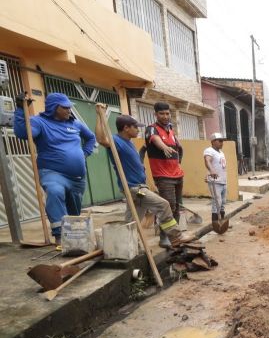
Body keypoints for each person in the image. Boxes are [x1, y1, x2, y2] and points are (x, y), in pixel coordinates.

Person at [94, 107, 194, 247]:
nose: (138, 130)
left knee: (132, 221)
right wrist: (100, 115)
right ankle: (176, 236)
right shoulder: (116, 141)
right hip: (135, 188)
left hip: (139, 185)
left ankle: (125, 245)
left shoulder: (129, 142)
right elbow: (100, 138)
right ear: (126, 128)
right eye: (135, 127)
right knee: (163, 205)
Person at [13, 92, 96, 246]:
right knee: (55, 191)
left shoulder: (75, 124)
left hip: (77, 177)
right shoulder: (39, 122)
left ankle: (74, 240)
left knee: (74, 212)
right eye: (65, 107)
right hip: (53, 172)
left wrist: (85, 153)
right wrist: (20, 109)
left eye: (70, 107)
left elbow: (91, 137)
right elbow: (24, 133)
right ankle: (60, 236)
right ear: (53, 108)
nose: (69, 110)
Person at [145, 102, 185, 247]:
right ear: (155, 114)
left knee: (178, 207)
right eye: (162, 113)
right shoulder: (151, 129)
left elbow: (179, 147)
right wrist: (164, 147)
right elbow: (155, 141)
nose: (165, 116)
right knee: (167, 208)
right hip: (163, 176)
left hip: (177, 174)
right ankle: (164, 237)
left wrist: (179, 158)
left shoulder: (170, 130)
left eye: (167, 113)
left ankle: (175, 236)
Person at [203, 132, 229, 233]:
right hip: (215, 181)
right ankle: (215, 224)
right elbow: (207, 160)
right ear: (213, 141)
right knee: (216, 202)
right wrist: (211, 170)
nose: (222, 143)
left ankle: (221, 221)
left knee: (222, 203)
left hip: (223, 180)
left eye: (222, 141)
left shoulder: (221, 153)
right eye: (220, 141)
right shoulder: (209, 150)